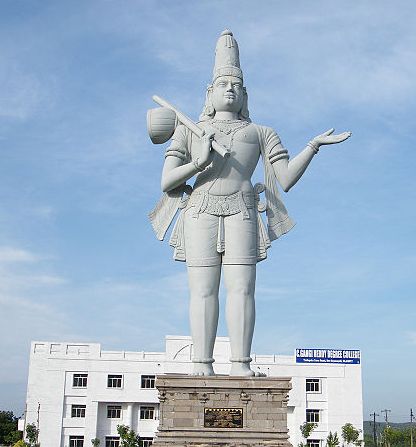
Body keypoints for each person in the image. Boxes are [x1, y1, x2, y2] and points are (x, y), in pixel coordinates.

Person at [151, 30, 351, 376]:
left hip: (243, 209)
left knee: (242, 290)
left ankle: (241, 364)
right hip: (200, 209)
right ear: (209, 93)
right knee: (202, 291)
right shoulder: (190, 130)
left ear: (245, 94)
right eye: (223, 83)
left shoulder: (261, 132)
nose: (230, 88)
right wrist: (199, 161)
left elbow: (284, 179)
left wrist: (313, 146)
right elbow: (167, 180)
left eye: (236, 85)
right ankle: (201, 364)